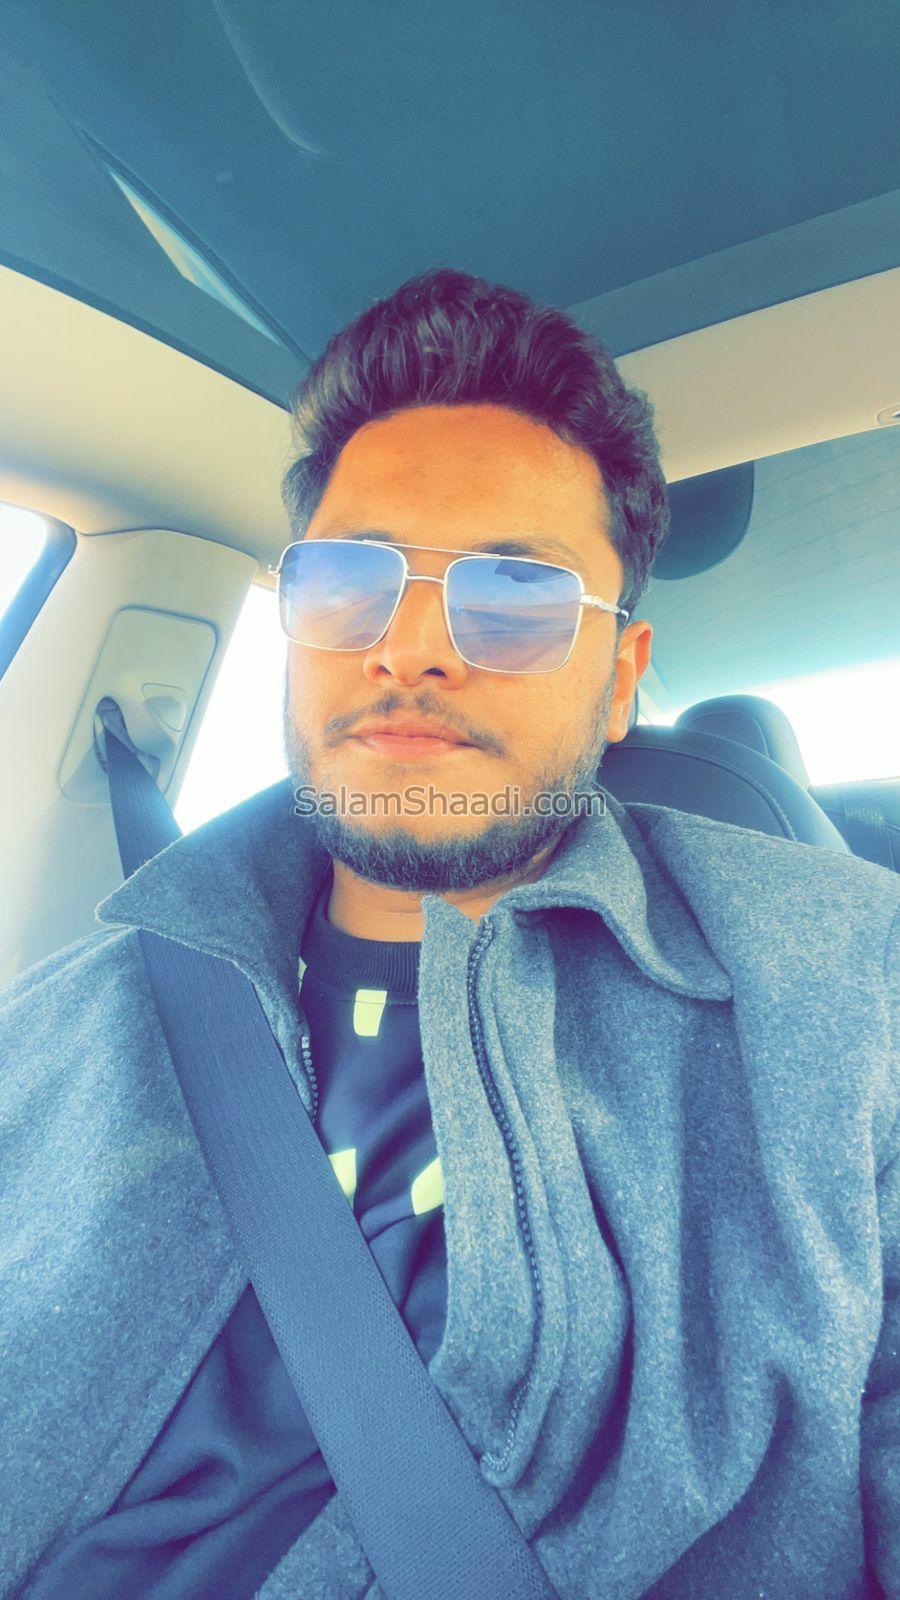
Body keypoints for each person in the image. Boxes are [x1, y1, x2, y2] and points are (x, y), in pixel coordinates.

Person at [1, 267, 898, 1600]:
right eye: (348, 582)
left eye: (518, 596)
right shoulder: (61, 1022)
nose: (409, 647)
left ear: (621, 681)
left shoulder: (848, 997)